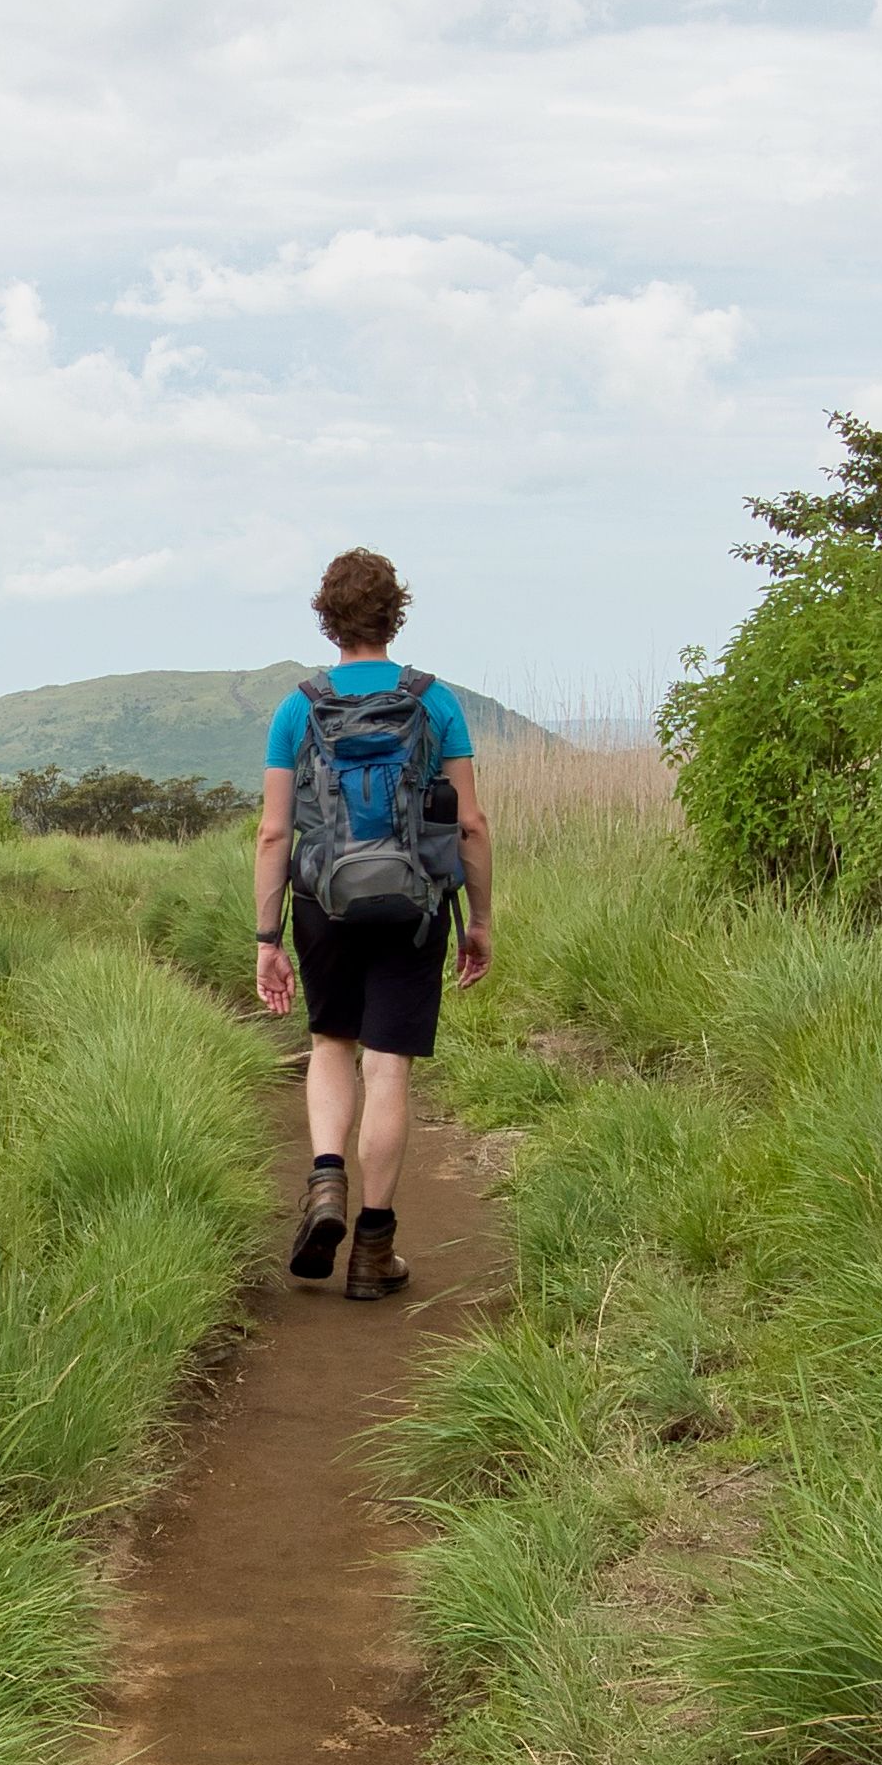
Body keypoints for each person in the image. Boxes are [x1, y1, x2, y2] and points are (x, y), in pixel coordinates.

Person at [252, 547, 494, 1300]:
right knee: (387, 1065)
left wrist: (266, 939)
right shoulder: (434, 702)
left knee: (331, 1044)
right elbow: (472, 824)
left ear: (329, 622)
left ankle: (327, 1184)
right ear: (396, 614)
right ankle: (373, 1252)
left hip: (323, 902)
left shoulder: (299, 707)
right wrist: (479, 920)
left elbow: (272, 833)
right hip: (415, 904)